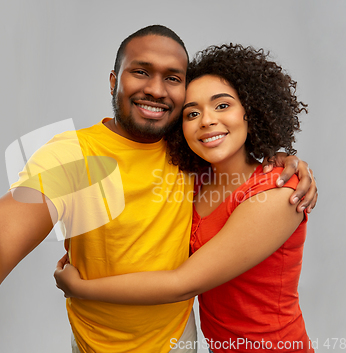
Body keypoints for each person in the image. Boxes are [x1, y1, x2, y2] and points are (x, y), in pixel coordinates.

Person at [0, 26, 317, 353]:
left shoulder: (193, 155)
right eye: (140, 72)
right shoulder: (76, 154)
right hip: (92, 343)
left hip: (178, 342)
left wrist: (288, 161)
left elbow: (190, 273)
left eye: (172, 78)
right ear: (114, 82)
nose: (155, 89)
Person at [54, 44, 314, 353]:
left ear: (250, 110)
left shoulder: (278, 194)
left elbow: (183, 283)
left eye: (222, 106)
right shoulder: (196, 180)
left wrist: (79, 288)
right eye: (192, 113)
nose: (206, 120)